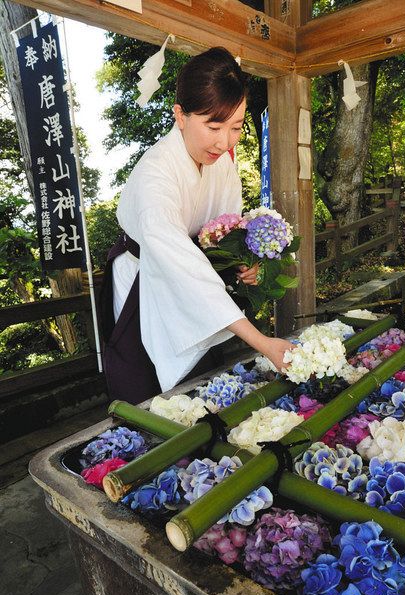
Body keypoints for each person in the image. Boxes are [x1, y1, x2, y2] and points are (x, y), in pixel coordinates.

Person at [101, 46, 293, 404]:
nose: (224, 142)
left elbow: (224, 232)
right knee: (144, 390)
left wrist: (240, 263)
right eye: (213, 126)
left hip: (198, 277)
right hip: (145, 278)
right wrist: (261, 342)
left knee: (200, 386)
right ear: (180, 115)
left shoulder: (222, 163)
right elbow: (178, 261)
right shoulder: (156, 173)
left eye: (235, 127)